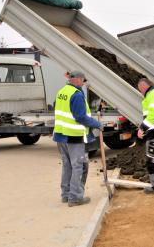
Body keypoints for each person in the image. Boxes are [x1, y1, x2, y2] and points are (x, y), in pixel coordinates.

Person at [53, 70, 102, 207]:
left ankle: (66, 194)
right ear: (79, 80)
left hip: (60, 135)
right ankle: (75, 198)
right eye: (84, 81)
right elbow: (80, 117)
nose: (84, 84)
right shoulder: (76, 95)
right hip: (74, 136)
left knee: (67, 166)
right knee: (79, 166)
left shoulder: (62, 92)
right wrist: (97, 124)